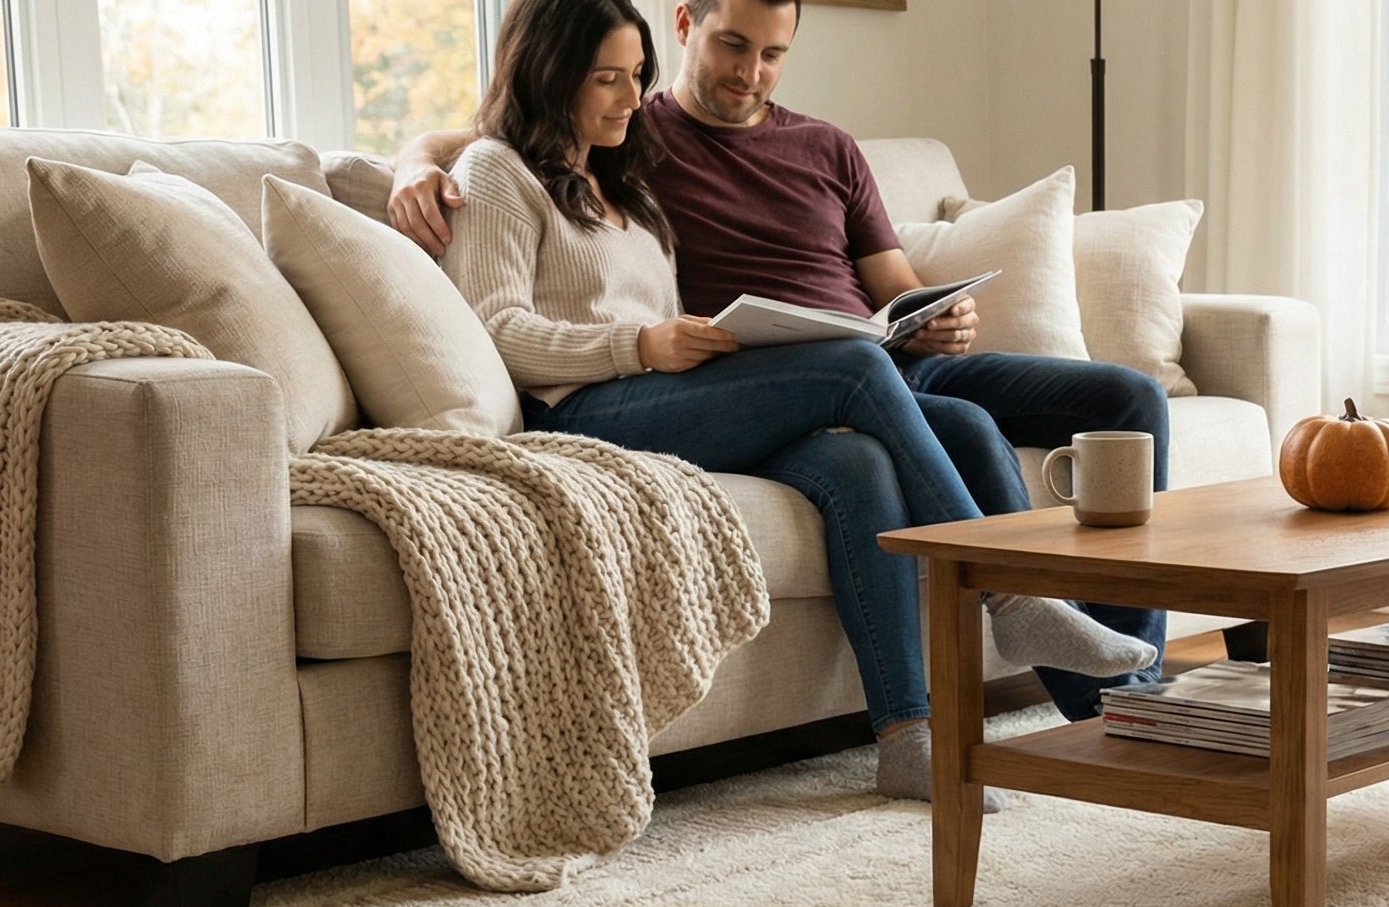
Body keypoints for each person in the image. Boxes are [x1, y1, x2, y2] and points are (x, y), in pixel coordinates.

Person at [441, 0, 1158, 803]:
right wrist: (637, 346)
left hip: (669, 390)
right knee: (854, 363)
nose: (626, 95)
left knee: (859, 460)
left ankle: (907, 738)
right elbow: (494, 327)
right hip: (581, 411)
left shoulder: (620, 173)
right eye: (606, 79)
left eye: (632, 76)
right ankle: (1012, 592)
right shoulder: (498, 172)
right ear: (551, 74)